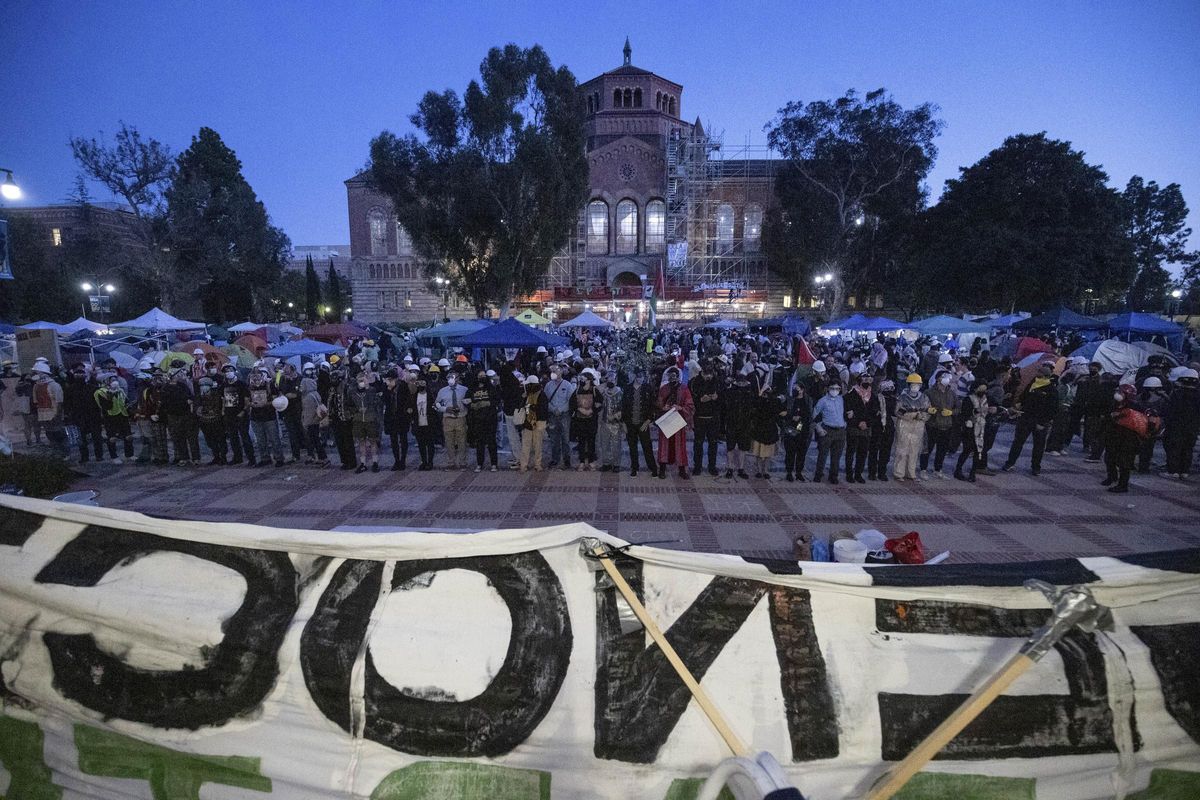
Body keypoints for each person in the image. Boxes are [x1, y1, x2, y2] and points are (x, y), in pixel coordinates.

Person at [1003, 363, 1060, 476]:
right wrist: (1019, 403)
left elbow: (1052, 408)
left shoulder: (1051, 389)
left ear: (1044, 375)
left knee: (1038, 445)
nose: (1036, 374)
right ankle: (1010, 462)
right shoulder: (1033, 384)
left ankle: (1035, 466)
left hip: (1040, 421)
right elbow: (1024, 396)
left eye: (1039, 373)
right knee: (1018, 442)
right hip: (1026, 417)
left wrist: (1043, 422)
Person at [1103, 384, 1143, 493]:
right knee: (1109, 458)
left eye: (1121, 393)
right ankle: (1111, 477)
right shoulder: (1114, 404)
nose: (1117, 394)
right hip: (1113, 435)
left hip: (1128, 438)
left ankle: (1123, 485)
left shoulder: (1134, 406)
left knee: (1124, 462)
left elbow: (1137, 421)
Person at [656, 366, 694, 479]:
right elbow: (658, 404)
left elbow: (690, 405)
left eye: (674, 376)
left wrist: (680, 408)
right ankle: (662, 468)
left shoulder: (684, 389)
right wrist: (663, 407)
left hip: (678, 419)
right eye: (670, 376)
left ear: (678, 377)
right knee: (664, 444)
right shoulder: (664, 389)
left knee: (679, 445)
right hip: (666, 418)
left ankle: (681, 469)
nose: (672, 378)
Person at [1161, 368, 1199, 479]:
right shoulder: (1198, 395)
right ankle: (1184, 471)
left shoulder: (1177, 394)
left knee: (1174, 447)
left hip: (1176, 426)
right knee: (1188, 448)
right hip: (1192, 427)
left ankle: (1173, 471)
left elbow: (1170, 411)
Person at [843, 373, 880, 483]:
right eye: (864, 379)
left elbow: (875, 413)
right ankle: (849, 474)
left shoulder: (872, 396)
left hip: (866, 429)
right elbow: (847, 410)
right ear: (859, 380)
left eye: (869, 379)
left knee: (863, 453)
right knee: (850, 452)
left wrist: (867, 423)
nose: (867, 382)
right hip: (854, 427)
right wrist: (857, 422)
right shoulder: (851, 394)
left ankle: (858, 474)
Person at [919, 370, 956, 479]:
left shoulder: (951, 393)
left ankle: (938, 469)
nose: (948, 380)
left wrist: (951, 412)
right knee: (927, 448)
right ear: (938, 379)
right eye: (945, 377)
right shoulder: (929, 392)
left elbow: (958, 407)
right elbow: (921, 405)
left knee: (942, 449)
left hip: (947, 425)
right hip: (932, 425)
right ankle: (923, 469)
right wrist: (928, 409)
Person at [63, 366, 104, 464]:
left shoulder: (91, 388)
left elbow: (67, 404)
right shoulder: (73, 389)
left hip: (88, 416)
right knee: (85, 438)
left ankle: (92, 456)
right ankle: (92, 456)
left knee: (92, 437)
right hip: (82, 416)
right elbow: (67, 404)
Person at [622, 370, 659, 477]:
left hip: (643, 423)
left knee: (647, 446)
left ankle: (653, 468)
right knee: (632, 447)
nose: (641, 379)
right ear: (635, 377)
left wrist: (648, 421)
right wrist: (623, 423)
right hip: (630, 423)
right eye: (639, 377)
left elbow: (652, 406)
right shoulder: (628, 389)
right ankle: (634, 468)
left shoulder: (648, 388)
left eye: (642, 377)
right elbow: (624, 406)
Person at [893, 374, 930, 481]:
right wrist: (910, 415)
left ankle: (911, 473)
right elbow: (897, 411)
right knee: (902, 449)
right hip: (904, 425)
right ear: (909, 385)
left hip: (918, 426)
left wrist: (922, 416)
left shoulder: (924, 397)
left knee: (914, 450)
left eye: (917, 384)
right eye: (913, 384)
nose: (915, 386)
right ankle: (899, 473)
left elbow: (928, 411)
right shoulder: (902, 397)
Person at [247, 367, 285, 467]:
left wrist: (265, 404)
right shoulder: (250, 386)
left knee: (274, 438)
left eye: (257, 374)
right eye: (253, 375)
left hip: (269, 416)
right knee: (260, 440)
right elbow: (246, 399)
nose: (255, 377)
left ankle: (279, 458)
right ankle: (265, 458)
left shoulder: (270, 385)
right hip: (255, 416)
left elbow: (275, 399)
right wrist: (251, 404)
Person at [161, 368, 200, 466]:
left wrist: (189, 401)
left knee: (191, 437)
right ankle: (183, 457)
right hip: (173, 415)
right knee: (178, 437)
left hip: (186, 414)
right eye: (177, 375)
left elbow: (190, 396)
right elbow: (164, 401)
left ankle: (196, 458)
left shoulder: (183, 386)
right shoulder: (166, 388)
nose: (179, 376)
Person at [690, 361, 722, 476]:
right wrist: (700, 399)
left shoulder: (717, 381)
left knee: (713, 443)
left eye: (711, 374)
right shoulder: (694, 382)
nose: (709, 376)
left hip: (713, 418)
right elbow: (690, 399)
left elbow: (723, 398)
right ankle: (697, 466)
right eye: (706, 374)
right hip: (699, 417)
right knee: (698, 443)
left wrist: (716, 398)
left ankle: (712, 466)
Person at [811, 380, 847, 484]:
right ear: (828, 389)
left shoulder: (841, 400)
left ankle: (833, 476)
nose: (835, 390)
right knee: (823, 454)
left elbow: (844, 413)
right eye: (833, 388)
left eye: (837, 389)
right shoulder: (823, 401)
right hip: (827, 430)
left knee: (836, 456)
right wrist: (818, 428)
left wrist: (845, 423)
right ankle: (818, 474)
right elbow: (814, 415)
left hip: (840, 431)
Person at [94, 374, 134, 464]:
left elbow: (125, 401)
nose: (114, 381)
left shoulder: (120, 390)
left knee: (128, 436)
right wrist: (110, 396)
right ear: (106, 382)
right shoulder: (101, 392)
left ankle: (129, 454)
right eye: (111, 380)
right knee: (112, 437)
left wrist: (130, 409)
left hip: (123, 415)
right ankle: (114, 456)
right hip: (110, 417)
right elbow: (106, 407)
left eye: (115, 379)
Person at [219, 364, 255, 466]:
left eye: (230, 370)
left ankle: (251, 458)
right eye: (226, 371)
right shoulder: (224, 385)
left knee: (244, 437)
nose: (228, 372)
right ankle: (237, 457)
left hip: (241, 414)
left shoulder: (241, 384)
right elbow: (223, 399)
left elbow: (247, 400)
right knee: (233, 437)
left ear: (234, 371)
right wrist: (223, 411)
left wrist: (243, 411)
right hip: (229, 414)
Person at [347, 371, 382, 473]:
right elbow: (349, 405)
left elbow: (376, 403)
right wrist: (356, 411)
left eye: (363, 380)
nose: (361, 382)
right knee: (361, 441)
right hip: (358, 420)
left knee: (373, 440)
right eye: (360, 381)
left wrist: (368, 389)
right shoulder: (353, 392)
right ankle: (363, 463)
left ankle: (375, 462)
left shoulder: (372, 390)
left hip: (370, 419)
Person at [954, 382, 989, 482]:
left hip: (981, 427)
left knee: (978, 450)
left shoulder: (985, 399)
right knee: (967, 449)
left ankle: (973, 473)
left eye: (984, 389)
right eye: (981, 389)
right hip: (969, 428)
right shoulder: (969, 399)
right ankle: (958, 470)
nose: (983, 392)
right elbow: (965, 414)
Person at [723, 370, 754, 479]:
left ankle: (741, 468)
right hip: (732, 422)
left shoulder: (749, 392)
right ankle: (730, 468)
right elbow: (725, 407)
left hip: (744, 424)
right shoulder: (731, 392)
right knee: (730, 447)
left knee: (743, 448)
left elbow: (752, 408)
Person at [467, 368, 500, 472]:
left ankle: (494, 464)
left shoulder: (491, 388)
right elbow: (466, 400)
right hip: (477, 419)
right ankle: (479, 464)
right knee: (480, 443)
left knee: (491, 442)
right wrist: (473, 405)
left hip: (490, 419)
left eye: (483, 376)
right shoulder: (472, 389)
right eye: (480, 376)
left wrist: (487, 403)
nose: (482, 378)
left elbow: (497, 400)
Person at [750, 380, 783, 478]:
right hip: (759, 429)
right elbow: (755, 405)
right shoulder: (760, 401)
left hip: (770, 429)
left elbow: (777, 412)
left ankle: (766, 471)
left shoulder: (775, 401)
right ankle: (759, 470)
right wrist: (760, 394)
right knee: (759, 452)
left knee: (768, 453)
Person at [543, 366, 575, 469]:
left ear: (561, 372)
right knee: (553, 439)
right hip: (552, 416)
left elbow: (570, 401)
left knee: (565, 438)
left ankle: (567, 460)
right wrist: (553, 409)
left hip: (564, 415)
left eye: (556, 371)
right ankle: (555, 459)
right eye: (552, 371)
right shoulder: (548, 385)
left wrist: (560, 409)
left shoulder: (567, 385)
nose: (554, 373)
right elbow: (545, 400)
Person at [1135, 377, 1168, 474]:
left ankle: (1140, 466)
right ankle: (1144, 467)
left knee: (1140, 446)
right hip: (1154, 427)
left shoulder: (1139, 397)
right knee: (1148, 448)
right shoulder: (1161, 399)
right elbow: (1166, 412)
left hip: (1140, 425)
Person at [781, 382, 812, 481]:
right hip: (791, 430)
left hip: (803, 430)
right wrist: (791, 417)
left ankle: (799, 472)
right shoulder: (790, 400)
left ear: (802, 390)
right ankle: (789, 472)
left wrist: (802, 423)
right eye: (794, 388)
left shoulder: (808, 400)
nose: (795, 390)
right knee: (790, 452)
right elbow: (784, 413)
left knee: (801, 453)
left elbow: (810, 415)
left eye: (797, 388)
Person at [381, 369, 411, 471]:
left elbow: (407, 400)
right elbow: (384, 401)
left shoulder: (403, 386)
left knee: (403, 439)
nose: (389, 381)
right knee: (393, 440)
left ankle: (403, 460)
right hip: (391, 417)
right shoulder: (386, 387)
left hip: (402, 417)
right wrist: (388, 390)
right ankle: (396, 460)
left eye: (390, 379)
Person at [518, 374, 549, 472]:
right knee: (526, 445)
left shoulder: (541, 395)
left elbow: (543, 410)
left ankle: (537, 464)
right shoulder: (526, 395)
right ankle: (524, 465)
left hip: (538, 423)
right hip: (527, 422)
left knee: (537, 445)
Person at [194, 375, 227, 465]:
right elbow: (196, 407)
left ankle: (223, 457)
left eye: (205, 385)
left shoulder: (216, 395)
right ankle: (216, 456)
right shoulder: (199, 396)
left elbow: (218, 407)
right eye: (201, 386)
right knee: (210, 440)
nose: (203, 387)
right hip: (205, 421)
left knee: (220, 439)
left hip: (216, 421)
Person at [300, 367, 329, 466]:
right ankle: (318, 457)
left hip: (312, 422)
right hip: (317, 420)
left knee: (315, 441)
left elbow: (308, 412)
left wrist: (305, 423)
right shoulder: (315, 393)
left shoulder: (307, 397)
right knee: (316, 440)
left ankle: (323, 458)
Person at [868, 379, 896, 481]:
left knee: (886, 452)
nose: (890, 390)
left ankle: (882, 472)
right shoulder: (876, 398)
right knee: (874, 451)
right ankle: (872, 472)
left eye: (891, 388)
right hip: (877, 427)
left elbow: (895, 411)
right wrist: (877, 412)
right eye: (888, 388)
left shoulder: (893, 399)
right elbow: (872, 411)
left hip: (888, 427)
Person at [276, 363, 305, 463]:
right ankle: (295, 455)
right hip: (287, 410)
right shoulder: (283, 379)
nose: (285, 371)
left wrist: (293, 394)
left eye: (288, 369)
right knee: (292, 433)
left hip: (299, 409)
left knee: (303, 432)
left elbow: (299, 394)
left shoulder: (300, 378)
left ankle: (310, 453)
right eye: (285, 370)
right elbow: (281, 392)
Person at [597, 371, 624, 472]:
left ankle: (616, 464)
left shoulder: (620, 392)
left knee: (616, 444)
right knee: (604, 444)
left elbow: (623, 408)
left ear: (616, 380)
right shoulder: (604, 391)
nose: (610, 381)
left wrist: (616, 416)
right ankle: (606, 463)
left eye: (612, 379)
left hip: (616, 423)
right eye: (609, 379)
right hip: (604, 422)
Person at [409, 377, 437, 470]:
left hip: (429, 423)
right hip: (418, 423)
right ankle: (423, 461)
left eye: (423, 383)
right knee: (421, 444)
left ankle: (430, 462)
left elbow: (434, 409)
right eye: (420, 383)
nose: (421, 385)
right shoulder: (414, 396)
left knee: (430, 444)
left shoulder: (430, 396)